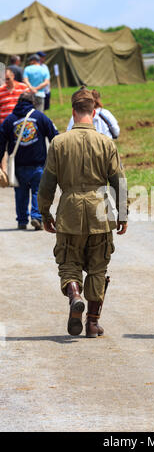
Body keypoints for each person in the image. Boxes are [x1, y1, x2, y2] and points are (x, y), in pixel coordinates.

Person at [37, 88, 128, 338]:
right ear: (94, 111)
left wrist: (44, 213)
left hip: (70, 210)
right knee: (98, 269)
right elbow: (118, 181)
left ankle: (75, 294)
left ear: (74, 112)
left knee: (69, 263)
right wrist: (123, 214)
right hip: (101, 209)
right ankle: (92, 323)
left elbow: (47, 183)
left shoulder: (59, 142)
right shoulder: (106, 142)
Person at [0, 92, 58, 230]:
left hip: (18, 166)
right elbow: (54, 136)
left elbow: (1, 143)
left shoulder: (9, 120)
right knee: (38, 191)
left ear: (18, 102)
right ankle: (36, 217)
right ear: (33, 102)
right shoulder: (40, 117)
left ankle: (22, 220)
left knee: (20, 193)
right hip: (38, 164)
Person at [0, 69, 28, 171]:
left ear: (13, 77)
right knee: (3, 148)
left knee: (20, 147)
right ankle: (3, 172)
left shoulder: (23, 88)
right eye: (4, 79)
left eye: (8, 79)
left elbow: (29, 104)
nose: (6, 82)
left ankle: (20, 169)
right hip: (4, 124)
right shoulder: (1, 90)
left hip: (20, 124)